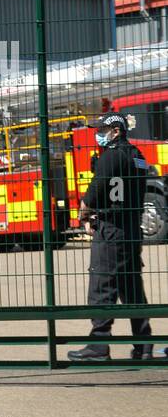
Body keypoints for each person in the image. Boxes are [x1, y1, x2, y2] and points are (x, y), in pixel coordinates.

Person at [68, 111, 156, 361]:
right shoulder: (138, 157)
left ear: (116, 131)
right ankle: (144, 344)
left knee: (101, 284)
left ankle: (98, 346)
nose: (98, 135)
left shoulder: (110, 156)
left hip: (110, 231)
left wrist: (84, 214)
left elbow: (95, 190)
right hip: (131, 230)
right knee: (132, 289)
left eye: (102, 130)